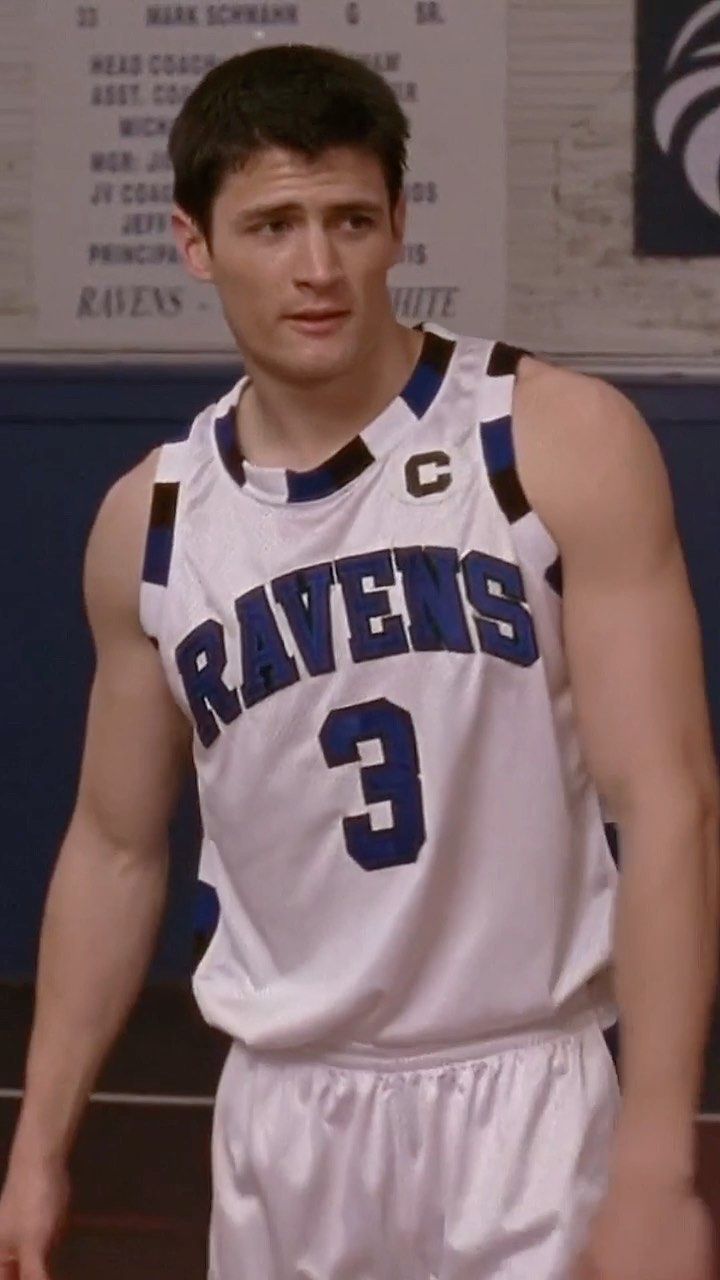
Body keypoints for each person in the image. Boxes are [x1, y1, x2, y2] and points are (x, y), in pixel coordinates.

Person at [1, 42, 718, 1280]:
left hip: (528, 1100)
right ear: (194, 242)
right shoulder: (154, 524)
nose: (318, 266)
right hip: (286, 1117)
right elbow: (116, 844)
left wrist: (658, 1155)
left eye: (347, 218)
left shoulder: (548, 440)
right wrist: (39, 1142)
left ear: (397, 222)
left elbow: (669, 802)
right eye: (272, 224)